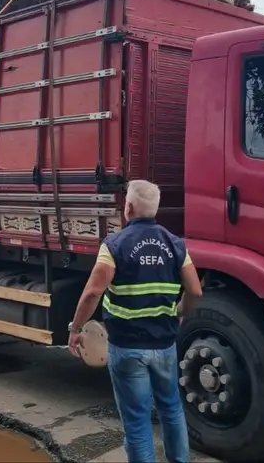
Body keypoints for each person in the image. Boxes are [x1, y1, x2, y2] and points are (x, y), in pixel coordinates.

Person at [68, 179, 203, 463]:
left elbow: (93, 292)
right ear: (155, 209)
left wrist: (76, 328)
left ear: (128, 207)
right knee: (172, 409)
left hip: (127, 346)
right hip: (164, 344)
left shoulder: (114, 245)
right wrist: (180, 311)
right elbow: (195, 290)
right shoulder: (175, 244)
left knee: (138, 420)